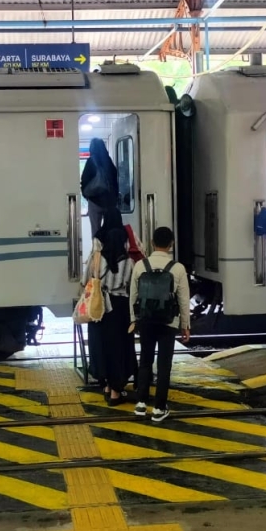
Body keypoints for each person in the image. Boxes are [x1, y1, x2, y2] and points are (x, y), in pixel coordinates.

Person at [130, 226, 191, 422]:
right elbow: (183, 300)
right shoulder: (178, 268)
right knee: (164, 365)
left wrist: (134, 320)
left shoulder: (140, 265)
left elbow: (133, 296)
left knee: (145, 361)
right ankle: (159, 408)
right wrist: (185, 325)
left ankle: (141, 404)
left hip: (146, 321)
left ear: (152, 243)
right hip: (168, 322)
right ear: (171, 244)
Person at [83, 210, 136, 405]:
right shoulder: (128, 262)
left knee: (101, 346)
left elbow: (85, 281)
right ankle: (115, 392)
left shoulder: (96, 258)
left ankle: (105, 385)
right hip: (120, 309)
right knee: (119, 349)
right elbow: (133, 287)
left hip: (99, 307)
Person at [81, 138, 119, 237]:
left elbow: (84, 180)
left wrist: (87, 196)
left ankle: (97, 246)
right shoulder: (108, 161)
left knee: (95, 231)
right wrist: (114, 198)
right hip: (109, 202)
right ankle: (110, 246)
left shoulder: (91, 161)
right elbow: (115, 180)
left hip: (94, 201)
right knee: (110, 229)